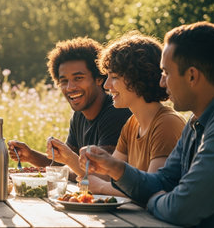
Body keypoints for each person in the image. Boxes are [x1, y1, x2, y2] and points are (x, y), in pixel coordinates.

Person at [79, 22, 214, 227]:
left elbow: (183, 208)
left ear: (192, 76)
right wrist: (115, 168)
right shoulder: (197, 121)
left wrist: (152, 200)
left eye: (166, 72)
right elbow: (163, 181)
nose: (161, 82)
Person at [79, 32, 186, 196]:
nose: (107, 85)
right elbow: (109, 175)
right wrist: (71, 159)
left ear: (138, 79)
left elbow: (152, 188)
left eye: (114, 77)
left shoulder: (167, 124)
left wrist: (100, 187)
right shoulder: (132, 123)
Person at [8, 37, 131, 178]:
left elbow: (99, 172)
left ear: (99, 78)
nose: (70, 87)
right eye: (64, 81)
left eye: (78, 78)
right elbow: (64, 163)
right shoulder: (79, 115)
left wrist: (65, 162)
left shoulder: (116, 113)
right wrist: (30, 156)